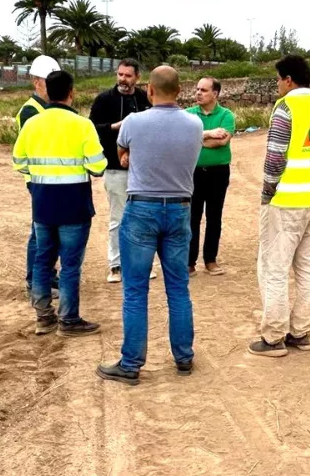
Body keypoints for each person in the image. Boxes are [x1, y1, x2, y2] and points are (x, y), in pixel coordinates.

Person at [97, 66, 204, 385]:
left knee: (135, 290)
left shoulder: (133, 122)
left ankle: (131, 363)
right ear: (180, 90)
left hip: (141, 208)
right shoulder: (195, 123)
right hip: (180, 209)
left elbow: (122, 153)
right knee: (178, 288)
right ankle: (184, 357)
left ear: (150, 91)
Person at [250, 55, 310, 357]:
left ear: (288, 80)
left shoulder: (286, 108)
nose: (277, 85)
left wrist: (268, 192)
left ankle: (273, 338)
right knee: (306, 267)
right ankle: (300, 333)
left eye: (278, 79)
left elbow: (275, 158)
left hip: (285, 202)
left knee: (274, 269)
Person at [12, 69, 106, 337]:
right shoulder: (82, 125)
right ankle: (69, 320)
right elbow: (98, 166)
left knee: (43, 260)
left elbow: (19, 162)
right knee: (70, 265)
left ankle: (44, 317)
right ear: (71, 93)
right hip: (74, 205)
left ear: (47, 92)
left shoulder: (32, 124)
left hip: (42, 203)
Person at [88, 58, 152, 283]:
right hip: (115, 169)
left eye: (128, 75)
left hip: (143, 170)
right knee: (118, 218)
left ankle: (141, 264)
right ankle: (115, 265)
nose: (123, 79)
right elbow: (91, 129)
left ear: (138, 78)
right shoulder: (104, 99)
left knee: (143, 217)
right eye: (120, 74)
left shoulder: (145, 99)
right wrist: (115, 126)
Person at [17, 55, 61, 299]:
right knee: (40, 233)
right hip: (39, 181)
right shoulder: (30, 111)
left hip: (54, 180)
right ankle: (34, 282)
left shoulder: (49, 108)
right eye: (47, 81)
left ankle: (48, 276)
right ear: (36, 82)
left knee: (50, 232)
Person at [186, 77, 235, 276]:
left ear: (215, 94)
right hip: (193, 173)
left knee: (214, 216)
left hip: (218, 173)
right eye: (197, 89)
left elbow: (222, 142)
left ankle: (210, 260)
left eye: (204, 90)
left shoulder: (226, 115)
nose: (198, 93)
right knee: (192, 217)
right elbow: (183, 140)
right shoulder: (188, 115)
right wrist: (208, 133)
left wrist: (196, 139)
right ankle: (189, 262)